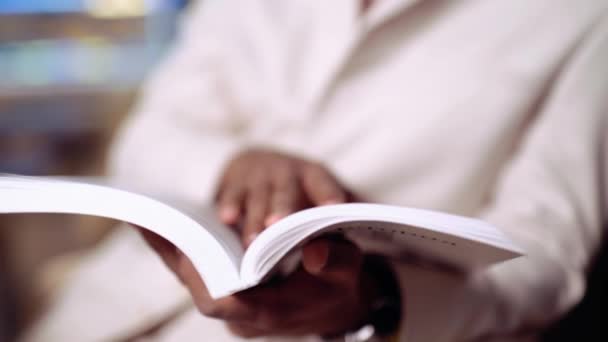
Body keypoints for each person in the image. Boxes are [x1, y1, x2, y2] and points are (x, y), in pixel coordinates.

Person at [23, 0, 608, 341]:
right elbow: (149, 134)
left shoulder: (581, 19)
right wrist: (230, 165)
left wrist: (381, 301)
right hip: (96, 314)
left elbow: (547, 260)